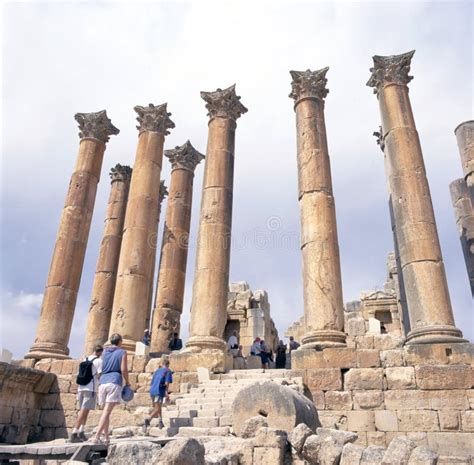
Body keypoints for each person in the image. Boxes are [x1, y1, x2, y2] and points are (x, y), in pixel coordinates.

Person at [92, 333, 129, 444]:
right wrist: (127, 382)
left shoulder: (104, 352)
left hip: (103, 382)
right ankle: (97, 436)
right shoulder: (122, 352)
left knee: (105, 411)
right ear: (120, 342)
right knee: (107, 411)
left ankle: (106, 437)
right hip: (114, 381)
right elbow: (123, 369)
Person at [70, 345, 103, 442]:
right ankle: (74, 433)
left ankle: (81, 431)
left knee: (84, 410)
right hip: (91, 388)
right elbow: (99, 375)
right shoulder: (99, 361)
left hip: (81, 387)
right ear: (100, 352)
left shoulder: (84, 360)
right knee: (84, 411)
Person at [144, 359, 173, 431]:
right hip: (159, 391)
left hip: (152, 391)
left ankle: (160, 421)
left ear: (162, 364)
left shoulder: (157, 371)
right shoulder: (168, 371)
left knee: (158, 406)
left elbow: (152, 382)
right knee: (157, 408)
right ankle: (148, 419)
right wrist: (166, 393)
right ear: (168, 364)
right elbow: (166, 383)